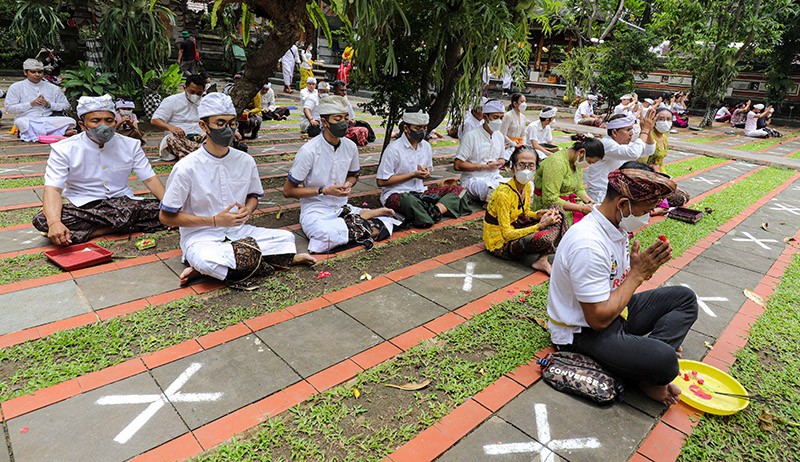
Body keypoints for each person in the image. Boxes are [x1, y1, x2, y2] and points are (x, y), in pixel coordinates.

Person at [547, 162, 699, 405]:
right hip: (581, 332)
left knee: (684, 299)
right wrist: (637, 275)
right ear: (623, 205)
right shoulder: (588, 243)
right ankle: (645, 368)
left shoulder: (613, 227)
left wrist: (634, 268)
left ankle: (642, 367)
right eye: (646, 211)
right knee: (667, 362)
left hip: (615, 311)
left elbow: (614, 285)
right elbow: (597, 320)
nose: (647, 219)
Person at [160, 92, 315, 288]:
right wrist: (215, 221)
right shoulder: (186, 167)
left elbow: (253, 197)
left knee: (285, 238)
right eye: (220, 123)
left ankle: (216, 269)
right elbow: (166, 217)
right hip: (202, 237)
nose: (228, 129)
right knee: (206, 258)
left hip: (239, 231)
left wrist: (248, 210)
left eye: (232, 123)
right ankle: (269, 261)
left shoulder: (245, 161)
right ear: (203, 126)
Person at [32, 94, 165, 246]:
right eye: (96, 121)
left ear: (115, 121)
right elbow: (53, 189)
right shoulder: (64, 149)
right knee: (43, 220)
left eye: (109, 120)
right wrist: (55, 222)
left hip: (122, 203)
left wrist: (170, 207)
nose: (104, 125)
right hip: (85, 206)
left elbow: (149, 178)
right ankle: (121, 226)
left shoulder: (131, 145)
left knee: (162, 209)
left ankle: (98, 230)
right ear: (82, 125)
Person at [284, 95, 398, 253]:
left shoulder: (350, 147)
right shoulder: (309, 151)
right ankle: (363, 219)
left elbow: (353, 175)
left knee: (388, 222)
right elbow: (288, 191)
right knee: (325, 234)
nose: (344, 123)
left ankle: (357, 219)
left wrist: (348, 184)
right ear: (324, 122)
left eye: (345, 118)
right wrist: (323, 191)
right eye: (338, 118)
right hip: (315, 210)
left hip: (341, 207)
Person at [377, 109, 470, 228]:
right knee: (408, 201)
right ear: (406, 128)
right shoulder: (393, 149)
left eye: (424, 128)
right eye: (418, 128)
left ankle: (434, 211)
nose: (422, 131)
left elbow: (427, 172)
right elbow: (381, 182)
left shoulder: (425, 146)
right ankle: (433, 210)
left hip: (421, 192)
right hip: (398, 193)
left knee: (458, 190)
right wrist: (412, 175)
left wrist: (426, 174)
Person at [484, 146, 566, 274]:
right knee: (544, 238)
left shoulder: (527, 186)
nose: (526, 170)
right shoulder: (503, 194)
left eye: (531, 165)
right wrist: (539, 226)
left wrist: (539, 215)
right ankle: (544, 257)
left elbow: (525, 212)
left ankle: (542, 259)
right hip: (501, 244)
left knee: (557, 210)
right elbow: (507, 234)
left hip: (516, 227)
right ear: (513, 168)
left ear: (536, 168)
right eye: (521, 165)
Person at [584, 111, 656, 203]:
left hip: (615, 193)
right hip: (601, 195)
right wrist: (644, 131)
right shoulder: (606, 144)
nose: (631, 133)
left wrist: (648, 130)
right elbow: (634, 153)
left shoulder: (623, 144)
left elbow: (649, 150)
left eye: (631, 130)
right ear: (614, 132)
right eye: (628, 130)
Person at [534, 134, 604, 225]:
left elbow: (579, 188)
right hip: (549, 211)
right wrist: (582, 208)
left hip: (568, 206)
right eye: (589, 162)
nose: (588, 165)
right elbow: (550, 199)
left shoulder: (576, 161)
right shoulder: (556, 163)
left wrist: (590, 202)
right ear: (581, 152)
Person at [5, 59, 76, 142]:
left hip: (49, 119)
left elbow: (66, 106)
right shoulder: (16, 87)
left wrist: (49, 105)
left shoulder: (53, 88)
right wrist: (31, 104)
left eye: (40, 72)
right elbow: (9, 107)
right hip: (28, 119)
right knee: (21, 122)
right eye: (33, 72)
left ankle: (36, 134)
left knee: (71, 121)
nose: (37, 74)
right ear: (25, 72)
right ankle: (59, 132)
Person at [454, 99, 509, 203]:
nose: (499, 121)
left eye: (501, 118)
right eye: (495, 117)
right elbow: (457, 165)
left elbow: (502, 159)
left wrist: (498, 163)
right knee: (490, 190)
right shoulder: (471, 136)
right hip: (473, 180)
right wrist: (484, 167)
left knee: (524, 185)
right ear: (485, 117)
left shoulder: (499, 136)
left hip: (494, 178)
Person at [150, 73, 206, 161]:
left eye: (199, 93)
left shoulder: (205, 102)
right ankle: (204, 152)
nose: (195, 95)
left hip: (200, 136)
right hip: (179, 139)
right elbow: (155, 120)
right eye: (192, 92)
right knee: (171, 140)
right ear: (184, 87)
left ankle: (192, 153)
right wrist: (172, 128)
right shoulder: (171, 100)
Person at [332, 80, 374, 146]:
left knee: (364, 129)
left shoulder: (345, 100)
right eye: (341, 90)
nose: (344, 93)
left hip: (346, 127)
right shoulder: (331, 102)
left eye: (345, 90)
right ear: (335, 91)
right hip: (334, 129)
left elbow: (351, 118)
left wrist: (351, 121)